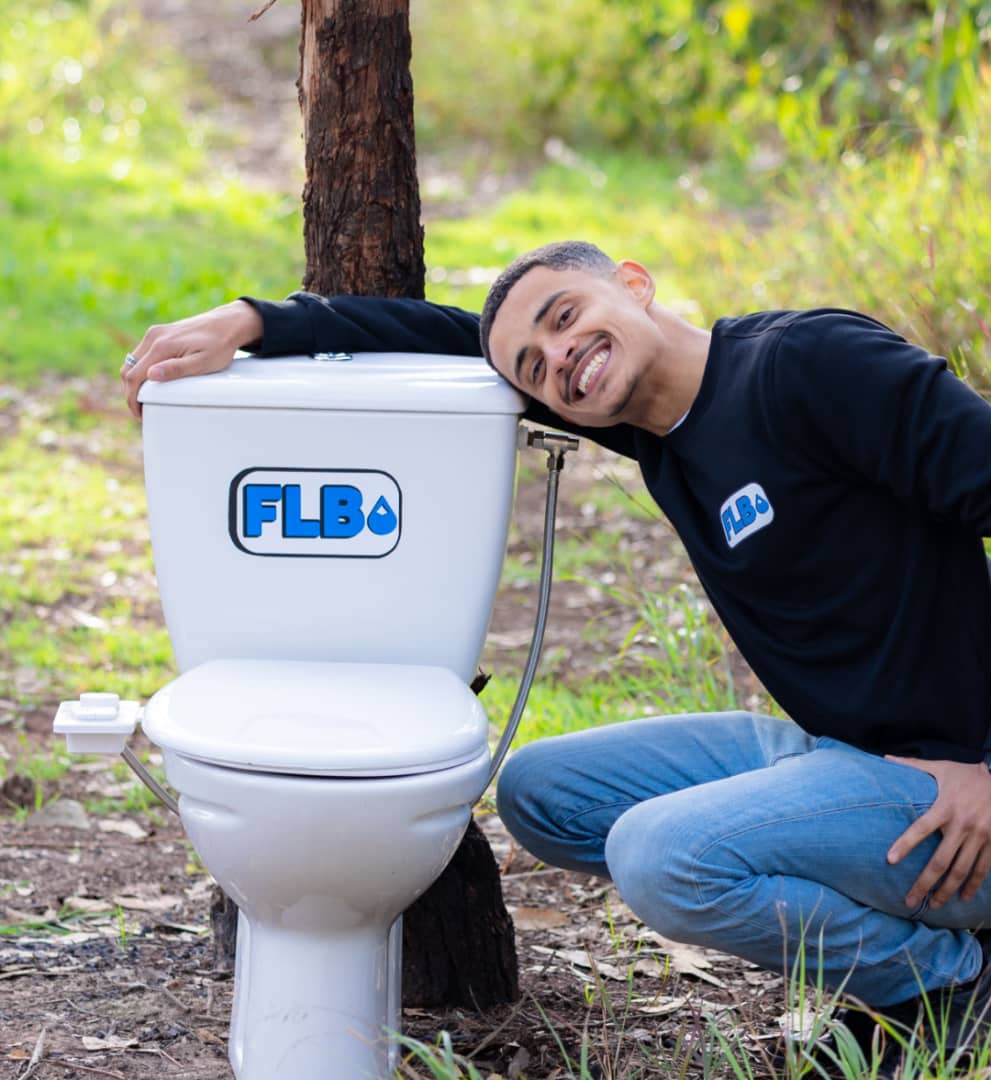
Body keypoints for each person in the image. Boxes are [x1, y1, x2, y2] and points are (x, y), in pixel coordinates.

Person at [122, 241, 991, 1062]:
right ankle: (921, 937)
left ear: (635, 283)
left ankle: (946, 989)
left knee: (661, 856)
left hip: (959, 786)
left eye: (566, 314)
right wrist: (256, 320)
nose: (560, 354)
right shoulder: (658, 422)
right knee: (544, 795)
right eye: (534, 365)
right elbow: (448, 333)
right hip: (851, 755)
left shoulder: (807, 365)